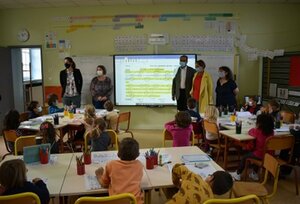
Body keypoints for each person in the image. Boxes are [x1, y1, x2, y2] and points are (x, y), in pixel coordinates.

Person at [95, 138, 143, 204]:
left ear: (118, 154)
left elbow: (104, 184)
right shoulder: (139, 165)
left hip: (116, 202)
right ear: (138, 155)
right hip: (135, 202)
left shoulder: (111, 164)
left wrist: (98, 175)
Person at [230, 113, 274, 181]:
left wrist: (255, 128)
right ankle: (254, 173)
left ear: (259, 123)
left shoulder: (257, 131)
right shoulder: (272, 132)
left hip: (260, 154)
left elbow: (250, 131)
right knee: (253, 153)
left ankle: (238, 173)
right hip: (269, 155)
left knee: (245, 157)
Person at [165, 164, 233, 204]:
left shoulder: (194, 177)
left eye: (210, 175)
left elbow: (177, 168)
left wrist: (177, 183)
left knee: (167, 190)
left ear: (211, 178)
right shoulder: (210, 200)